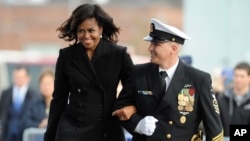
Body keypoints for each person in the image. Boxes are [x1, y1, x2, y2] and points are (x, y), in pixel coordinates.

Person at [113, 18, 224, 141]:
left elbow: (214, 129)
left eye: (156, 44)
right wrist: (138, 124)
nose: (150, 48)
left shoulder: (198, 79)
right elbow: (119, 109)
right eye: (151, 43)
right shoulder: (138, 73)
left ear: (174, 49)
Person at [43, 3, 134, 141]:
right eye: (81, 31)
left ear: (101, 29)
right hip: (72, 130)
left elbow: (133, 85)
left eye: (91, 30)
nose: (86, 36)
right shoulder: (66, 56)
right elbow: (58, 100)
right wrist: (49, 136)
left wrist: (128, 106)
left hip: (106, 129)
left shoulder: (118, 54)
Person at [0, 65, 39, 141]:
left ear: (28, 78)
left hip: (25, 135)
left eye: (21, 77)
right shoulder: (6, 93)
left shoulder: (34, 95)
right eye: (16, 77)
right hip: (7, 135)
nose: (18, 80)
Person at [217, 62, 250, 137]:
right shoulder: (222, 98)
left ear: (249, 78)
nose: (238, 79)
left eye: (242, 76)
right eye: (236, 75)